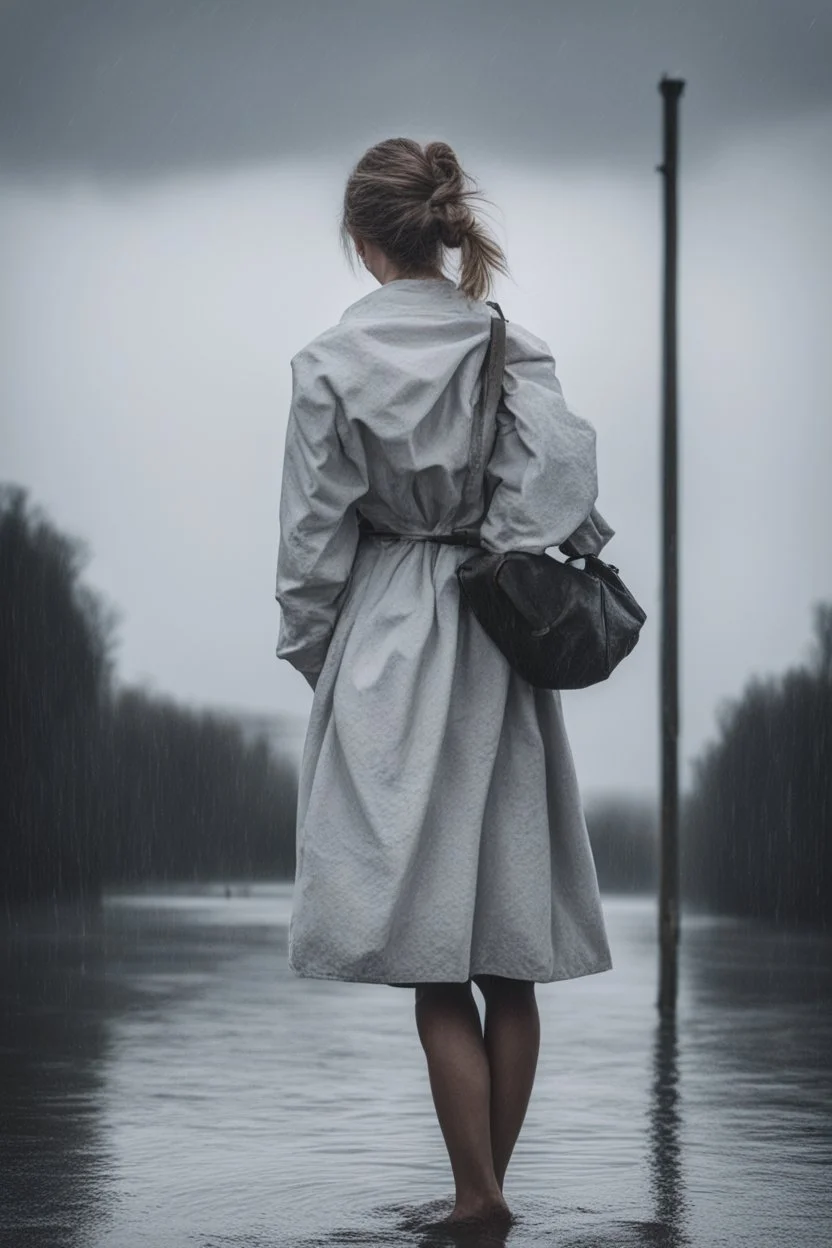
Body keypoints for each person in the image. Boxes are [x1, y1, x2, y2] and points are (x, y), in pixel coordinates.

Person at [274, 137, 615, 1233]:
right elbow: (559, 483)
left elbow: (312, 544)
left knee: (430, 951)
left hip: (386, 635)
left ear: (365, 242)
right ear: (438, 231)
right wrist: (497, 543)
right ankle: (490, 1188)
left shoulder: (330, 362)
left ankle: (474, 1194)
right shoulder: (507, 345)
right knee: (505, 946)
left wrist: (318, 657)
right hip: (493, 631)